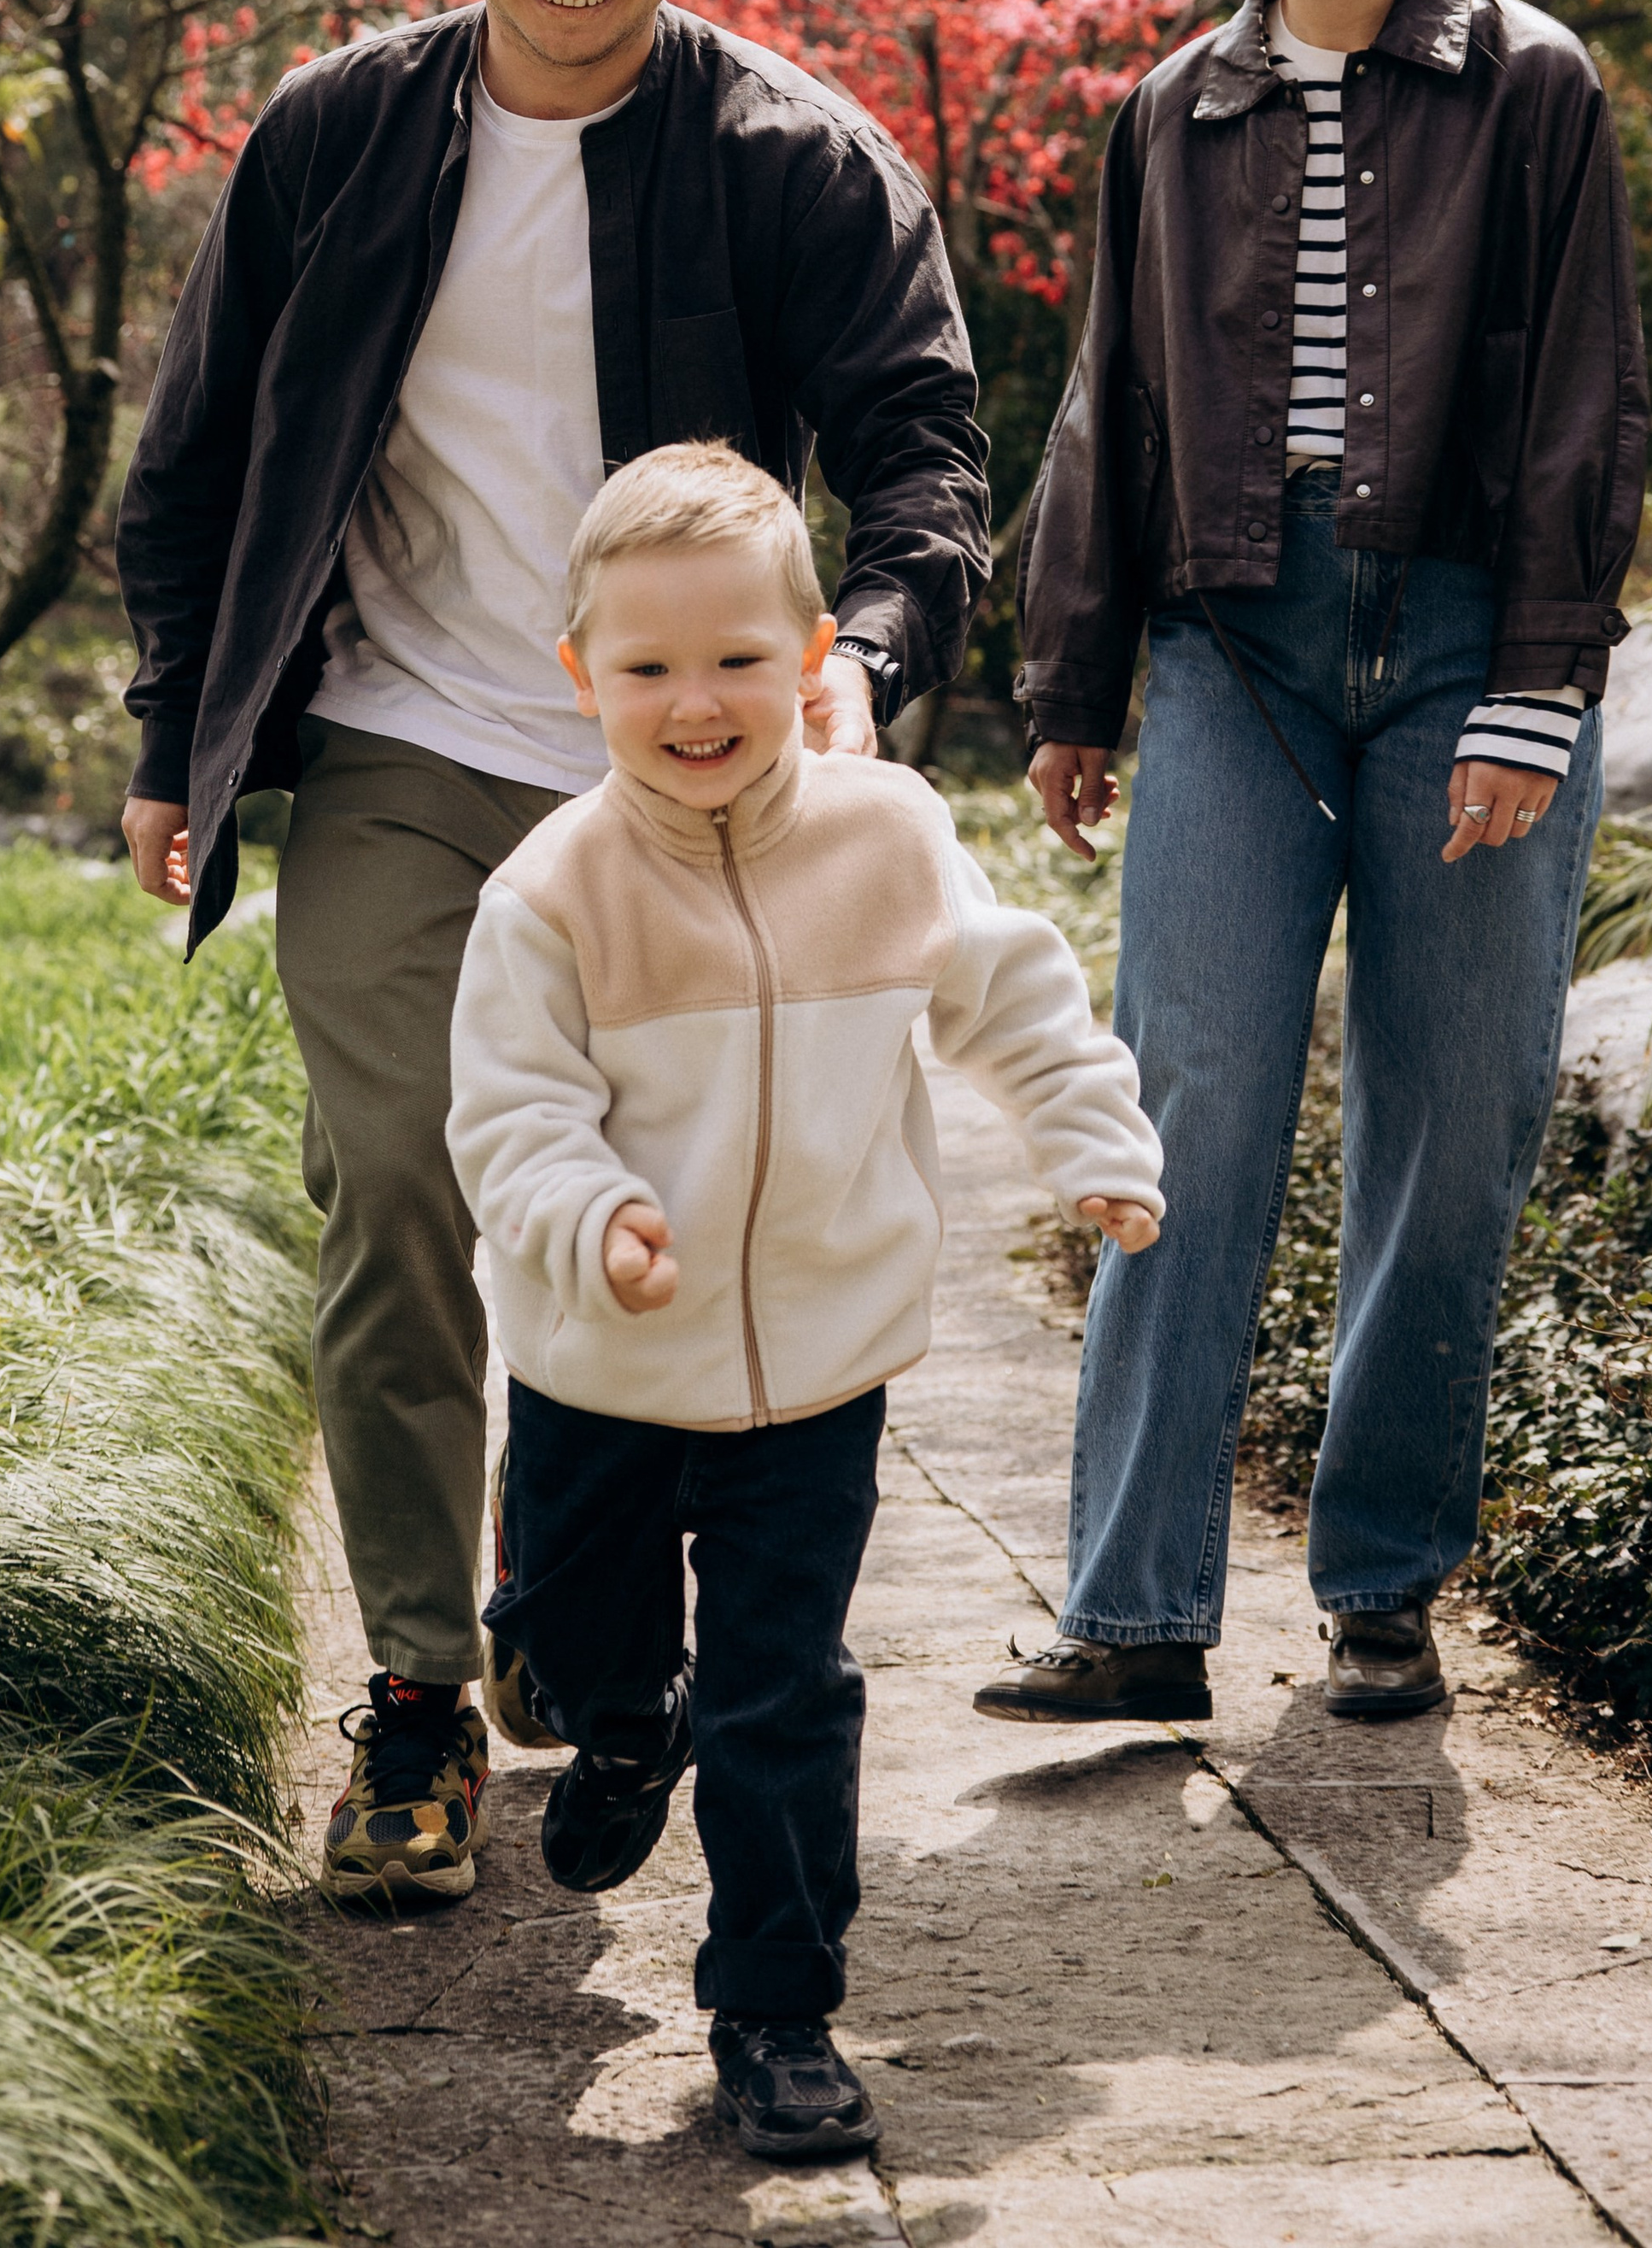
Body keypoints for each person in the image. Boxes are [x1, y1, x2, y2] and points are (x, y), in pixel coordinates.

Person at [114, 0, 989, 1905]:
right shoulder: (335, 137)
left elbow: (923, 463)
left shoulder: (793, 158)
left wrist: (858, 673)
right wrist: (169, 739)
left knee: (649, 1223)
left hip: (677, 780)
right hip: (405, 751)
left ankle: (571, 1608)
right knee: (404, 1182)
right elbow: (199, 463)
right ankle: (413, 1705)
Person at [975, 0, 1645, 1733]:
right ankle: (1136, 1610)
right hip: (1233, 645)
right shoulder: (1170, 110)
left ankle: (1377, 1579)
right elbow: (1120, 401)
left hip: (1463, 644)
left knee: (1452, 1126)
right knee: (1179, 1105)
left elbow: (1577, 404)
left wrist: (1535, 687)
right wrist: (1074, 675)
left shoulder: (1533, 86)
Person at [445, 441, 1161, 2159]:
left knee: (789, 1687)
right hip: (603, 1364)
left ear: (813, 662)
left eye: (737, 660)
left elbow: (1017, 1004)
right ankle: (623, 1731)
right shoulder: (549, 894)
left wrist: (1092, 1137)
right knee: (579, 1636)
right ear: (581, 678)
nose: (695, 701)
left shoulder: (886, 835)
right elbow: (508, 1116)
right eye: (647, 668)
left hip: (816, 1372)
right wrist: (595, 1210)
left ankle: (774, 2004)